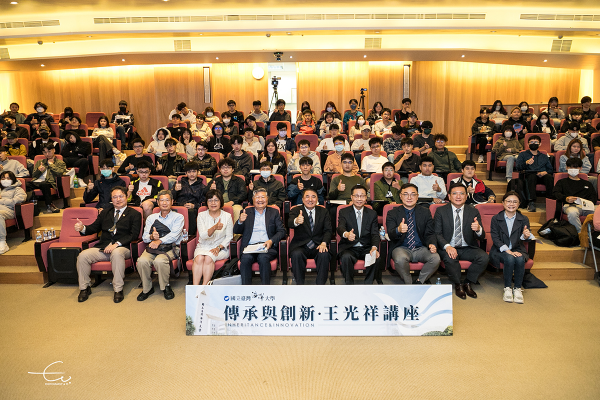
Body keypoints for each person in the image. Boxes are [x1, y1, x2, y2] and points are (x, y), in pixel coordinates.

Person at [75, 186, 142, 303]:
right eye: (115, 197)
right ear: (111, 199)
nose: (118, 199)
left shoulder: (135, 214)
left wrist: (117, 244)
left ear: (126, 197)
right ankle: (84, 288)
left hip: (123, 248)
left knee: (116, 253)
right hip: (104, 247)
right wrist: (82, 228)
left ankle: (118, 289)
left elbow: (134, 235)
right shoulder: (105, 213)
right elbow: (93, 228)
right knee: (83, 256)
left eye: (121, 196)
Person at [434, 183, 488, 300]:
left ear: (466, 196)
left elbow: (481, 236)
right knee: (450, 258)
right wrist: (447, 246)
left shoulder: (473, 211)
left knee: (484, 257)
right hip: (449, 246)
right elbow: (437, 233)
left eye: (462, 193)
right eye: (454, 193)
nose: (458, 196)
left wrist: (478, 229)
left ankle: (468, 282)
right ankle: (458, 284)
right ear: (449, 196)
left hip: (467, 246)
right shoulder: (441, 211)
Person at [387, 183, 440, 284]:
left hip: (420, 248)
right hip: (401, 247)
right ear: (400, 196)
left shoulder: (425, 212)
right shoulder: (392, 213)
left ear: (417, 196)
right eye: (406, 194)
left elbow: (430, 232)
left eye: (413, 194)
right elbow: (390, 234)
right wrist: (398, 230)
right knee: (400, 259)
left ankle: (420, 281)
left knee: (435, 258)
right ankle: (409, 283)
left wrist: (432, 244)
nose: (409, 197)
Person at [136, 190, 184, 301]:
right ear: (157, 202)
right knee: (142, 261)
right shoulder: (151, 218)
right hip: (153, 247)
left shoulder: (178, 217)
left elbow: (174, 236)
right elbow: (145, 237)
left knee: (160, 261)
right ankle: (147, 288)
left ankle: (166, 287)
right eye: (162, 200)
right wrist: (152, 236)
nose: (164, 203)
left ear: (172, 201)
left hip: (171, 247)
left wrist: (159, 241)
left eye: (167, 200)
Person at [490, 191, 534, 304]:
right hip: (500, 249)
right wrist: (508, 250)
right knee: (509, 258)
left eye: (515, 202)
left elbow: (526, 237)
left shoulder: (523, 219)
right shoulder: (496, 218)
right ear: (503, 203)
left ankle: (517, 288)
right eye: (509, 201)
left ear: (519, 204)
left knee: (519, 258)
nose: (511, 204)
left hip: (517, 248)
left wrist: (526, 236)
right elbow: (495, 238)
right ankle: (507, 288)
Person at [234, 188, 286, 285]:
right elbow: (236, 231)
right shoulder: (245, 212)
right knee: (245, 259)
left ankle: (265, 288)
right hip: (250, 247)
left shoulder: (274, 212)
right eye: (257, 197)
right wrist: (240, 221)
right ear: (253, 199)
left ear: (267, 199)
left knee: (263, 258)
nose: (260, 200)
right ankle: (246, 289)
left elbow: (281, 231)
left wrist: (271, 241)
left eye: (263, 197)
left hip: (267, 247)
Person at [336, 185, 380, 284]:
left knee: (375, 257)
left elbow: (375, 233)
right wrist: (346, 234)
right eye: (356, 196)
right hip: (349, 247)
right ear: (351, 197)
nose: (359, 199)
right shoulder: (344, 212)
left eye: (362, 196)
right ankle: (349, 284)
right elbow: (340, 227)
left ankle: (368, 284)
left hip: (366, 247)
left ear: (366, 198)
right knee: (346, 257)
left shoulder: (372, 213)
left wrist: (374, 247)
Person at [288, 189, 332, 285]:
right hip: (300, 245)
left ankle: (320, 285)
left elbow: (328, 230)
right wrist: (296, 221)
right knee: (296, 254)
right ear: (302, 199)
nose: (310, 199)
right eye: (307, 197)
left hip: (318, 245)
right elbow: (290, 223)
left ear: (317, 199)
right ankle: (300, 285)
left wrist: (324, 243)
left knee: (324, 254)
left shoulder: (323, 211)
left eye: (313, 196)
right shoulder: (296, 210)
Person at [191, 189, 234, 285]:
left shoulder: (227, 216)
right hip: (203, 246)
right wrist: (214, 227)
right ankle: (195, 287)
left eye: (216, 200)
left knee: (208, 258)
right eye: (210, 200)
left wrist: (219, 247)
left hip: (220, 248)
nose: (213, 203)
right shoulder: (201, 215)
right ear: (206, 202)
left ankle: (205, 287)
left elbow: (229, 237)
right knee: (198, 258)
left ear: (221, 202)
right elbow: (203, 235)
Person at [553, 157, 597, 233]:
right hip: (570, 206)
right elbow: (555, 193)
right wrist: (566, 198)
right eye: (570, 167)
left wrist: (587, 203)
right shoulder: (561, 182)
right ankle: (580, 234)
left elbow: (593, 197)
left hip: (586, 206)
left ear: (580, 168)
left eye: (576, 167)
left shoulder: (587, 183)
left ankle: (596, 234)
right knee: (572, 212)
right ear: (566, 168)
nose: (573, 169)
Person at [515, 135, 554, 212]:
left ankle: (550, 201)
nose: (533, 143)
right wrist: (526, 163)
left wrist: (545, 172)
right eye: (531, 142)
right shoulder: (523, 154)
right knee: (532, 177)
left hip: (542, 175)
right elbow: (518, 167)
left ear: (540, 144)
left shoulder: (544, 156)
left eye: (536, 142)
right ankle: (531, 202)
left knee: (549, 177)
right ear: (527, 144)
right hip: (530, 174)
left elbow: (550, 169)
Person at [328, 153, 366, 227]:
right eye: (345, 162)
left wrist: (355, 201)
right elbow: (330, 196)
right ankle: (335, 233)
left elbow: (364, 195)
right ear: (341, 164)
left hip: (356, 203)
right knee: (332, 210)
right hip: (340, 204)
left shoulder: (360, 179)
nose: (347, 165)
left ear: (353, 164)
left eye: (350, 162)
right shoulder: (336, 179)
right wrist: (337, 189)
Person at [27, 144, 66, 214]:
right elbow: (33, 175)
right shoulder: (40, 162)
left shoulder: (60, 162)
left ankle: (49, 205)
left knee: (44, 184)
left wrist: (51, 165)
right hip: (36, 182)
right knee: (25, 184)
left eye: (49, 151)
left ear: (54, 150)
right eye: (45, 152)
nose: (47, 154)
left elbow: (60, 172)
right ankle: (29, 206)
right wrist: (39, 170)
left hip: (49, 182)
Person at [0, 171, 26, 254]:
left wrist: (1, 200)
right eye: (3, 178)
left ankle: (2, 242)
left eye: (8, 178)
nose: (5, 180)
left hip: (9, 211)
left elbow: (16, 201)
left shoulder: (18, 189)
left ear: (13, 179)